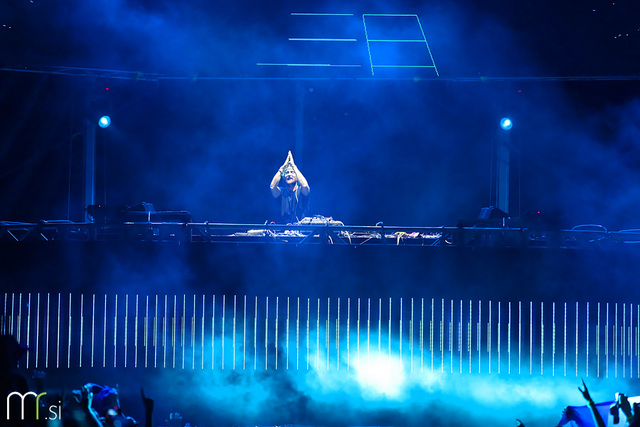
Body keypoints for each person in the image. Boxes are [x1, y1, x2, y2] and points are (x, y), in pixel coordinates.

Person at [270, 151, 310, 224]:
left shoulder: (301, 191)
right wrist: (282, 168)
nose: (289, 174)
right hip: (283, 229)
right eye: (287, 173)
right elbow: (272, 187)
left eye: (292, 172)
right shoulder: (281, 192)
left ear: (297, 176)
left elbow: (305, 186)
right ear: (284, 177)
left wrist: (294, 166)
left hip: (301, 229)